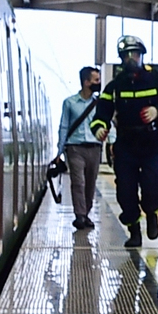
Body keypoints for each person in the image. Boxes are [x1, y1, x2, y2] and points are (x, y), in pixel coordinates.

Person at [90, 36, 158, 247]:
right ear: (121, 59)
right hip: (126, 143)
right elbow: (101, 114)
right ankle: (134, 230)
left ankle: (152, 213)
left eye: (135, 54)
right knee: (125, 190)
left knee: (153, 185)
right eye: (127, 55)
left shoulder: (156, 79)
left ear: (142, 56)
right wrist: (100, 128)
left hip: (152, 143)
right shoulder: (114, 86)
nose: (132, 59)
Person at [57, 66, 103, 230]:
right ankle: (80, 215)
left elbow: (108, 123)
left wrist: (111, 142)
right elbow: (64, 126)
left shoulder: (100, 104)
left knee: (90, 183)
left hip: (95, 148)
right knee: (78, 182)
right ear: (86, 82)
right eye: (96, 80)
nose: (99, 83)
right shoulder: (69, 103)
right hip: (74, 148)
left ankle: (86, 213)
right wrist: (60, 150)